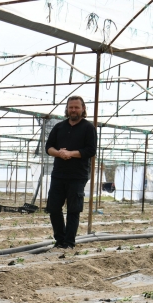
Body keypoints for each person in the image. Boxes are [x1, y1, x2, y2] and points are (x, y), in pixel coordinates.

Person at [45, 96, 97, 249]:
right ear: (67, 109)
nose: (73, 110)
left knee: (73, 209)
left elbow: (91, 150)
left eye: (76, 107)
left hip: (77, 176)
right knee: (54, 208)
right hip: (58, 174)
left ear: (83, 109)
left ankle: (69, 242)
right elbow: (49, 147)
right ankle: (59, 240)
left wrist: (71, 154)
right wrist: (59, 153)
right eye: (71, 107)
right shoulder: (59, 127)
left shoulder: (88, 128)